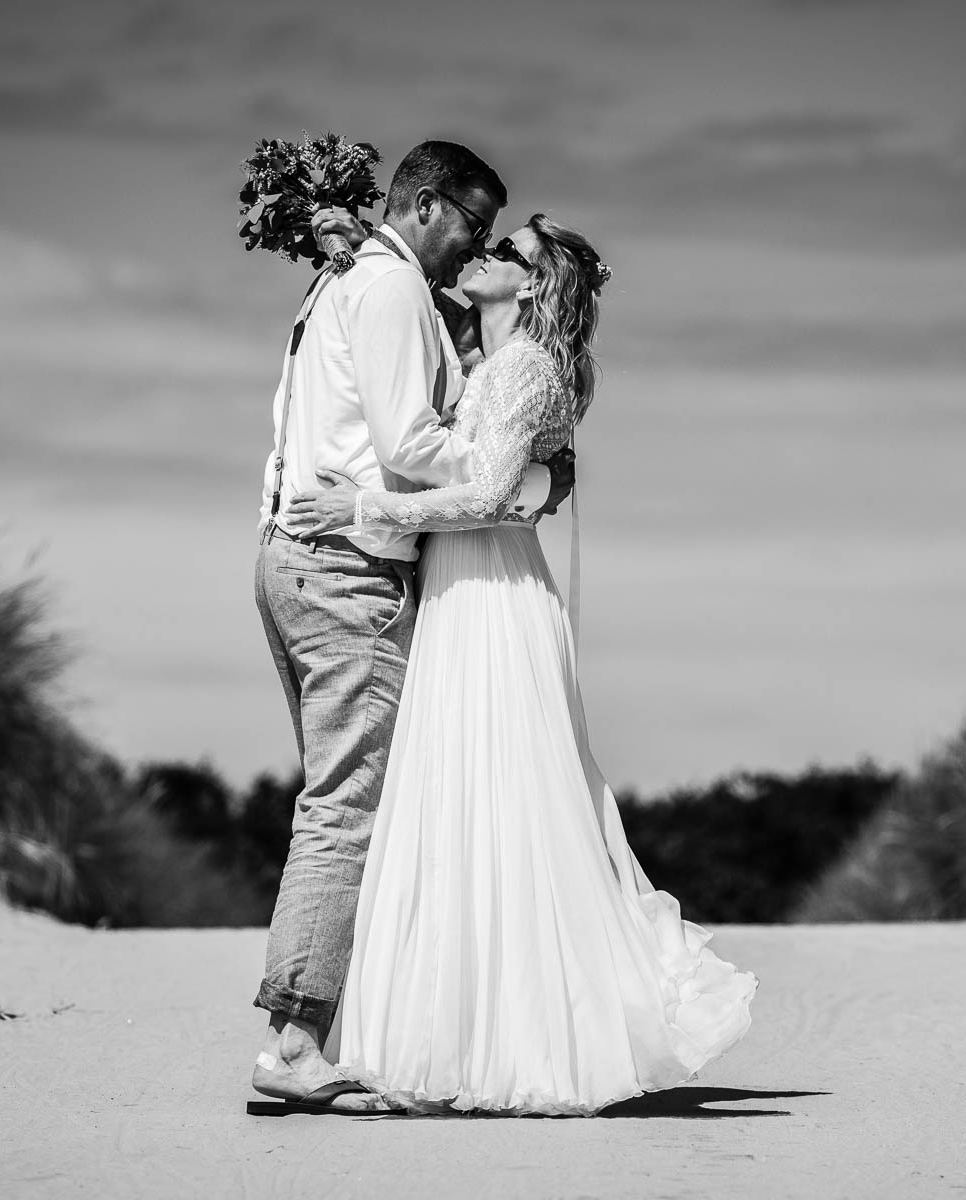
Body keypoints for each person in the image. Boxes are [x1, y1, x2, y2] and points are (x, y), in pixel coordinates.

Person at [282, 214, 757, 1116]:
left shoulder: (525, 370)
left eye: (507, 254)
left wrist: (362, 511)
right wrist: (351, 236)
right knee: (459, 804)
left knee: (503, 803)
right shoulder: (487, 361)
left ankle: (517, 1039)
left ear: (532, 288)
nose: (483, 255)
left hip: (492, 598)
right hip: (466, 586)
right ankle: (457, 1036)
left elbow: (495, 492)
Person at [248, 141, 572, 1116]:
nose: (473, 245)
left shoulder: (342, 285)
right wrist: (510, 476)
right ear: (427, 204)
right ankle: (296, 1040)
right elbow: (408, 443)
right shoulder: (386, 287)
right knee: (344, 807)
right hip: (346, 566)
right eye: (470, 222)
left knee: (338, 798)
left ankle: (329, 1026)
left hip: (291, 553)